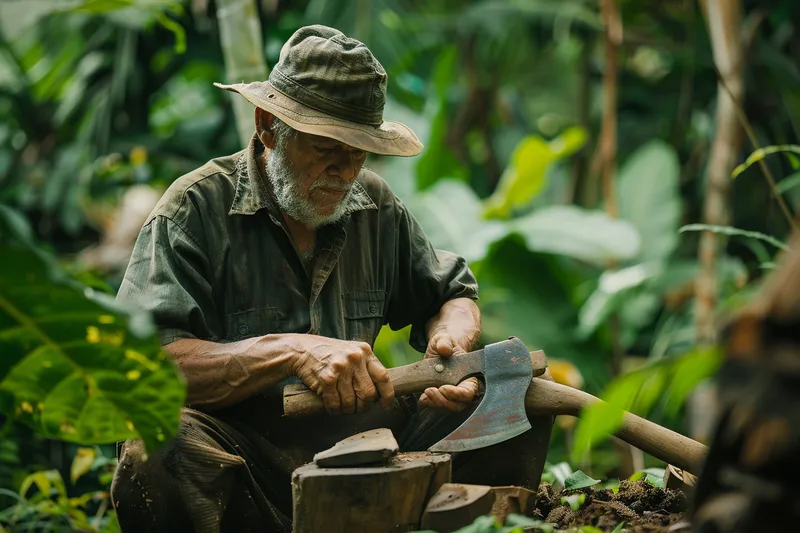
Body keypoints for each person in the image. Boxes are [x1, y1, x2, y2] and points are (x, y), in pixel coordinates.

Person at [110, 25, 551, 533]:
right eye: (327, 147)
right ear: (268, 126)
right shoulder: (193, 211)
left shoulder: (375, 204)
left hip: (368, 451)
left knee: (519, 394)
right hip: (244, 461)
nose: (345, 171)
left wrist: (450, 344)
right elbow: (147, 366)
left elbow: (451, 293)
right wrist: (294, 350)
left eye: (359, 150)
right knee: (159, 445)